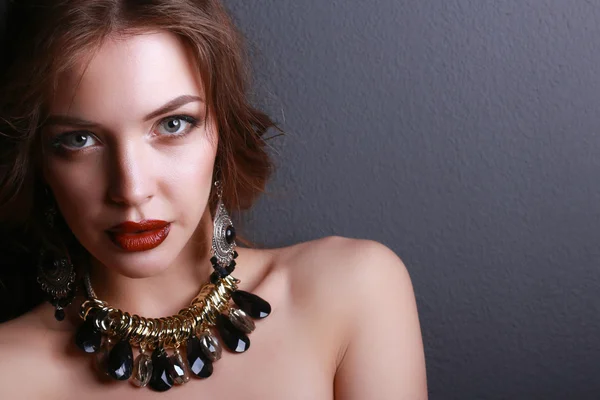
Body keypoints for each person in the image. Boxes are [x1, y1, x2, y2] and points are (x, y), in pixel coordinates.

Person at [0, 0, 427, 398]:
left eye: (172, 124)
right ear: (38, 158)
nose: (131, 190)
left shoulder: (352, 292)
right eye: (80, 139)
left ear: (222, 132)